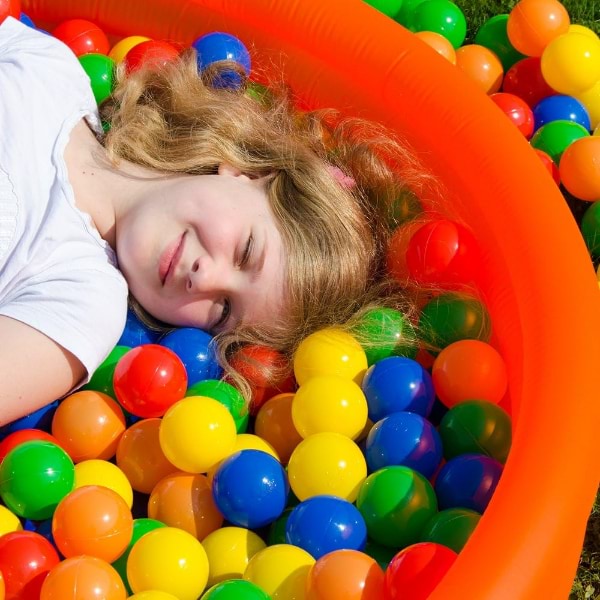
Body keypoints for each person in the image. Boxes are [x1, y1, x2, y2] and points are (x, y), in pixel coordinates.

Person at [0, 15, 428, 425]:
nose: (204, 279)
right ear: (246, 172)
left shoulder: (84, 304)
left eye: (223, 310)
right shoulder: (49, 70)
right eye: (245, 251)